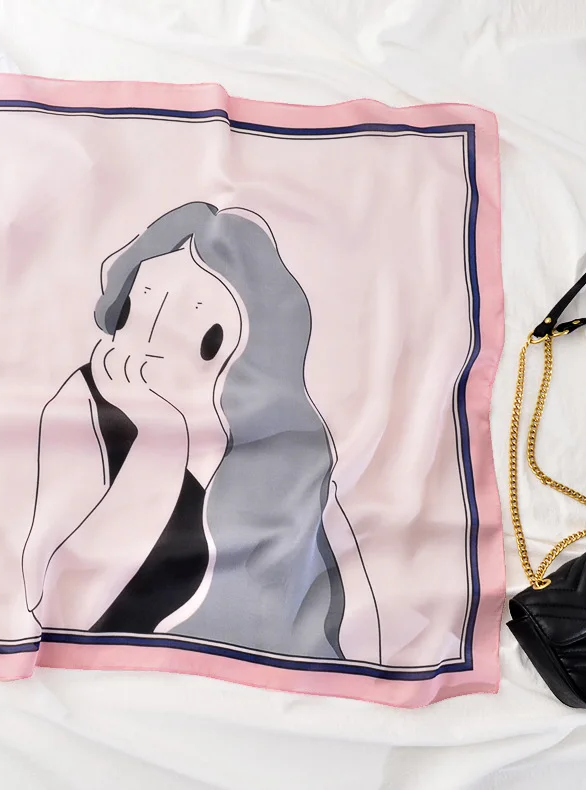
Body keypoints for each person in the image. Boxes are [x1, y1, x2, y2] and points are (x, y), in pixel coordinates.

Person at [21, 202, 380, 661]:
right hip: (103, 673)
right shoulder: (85, 403)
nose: (147, 350)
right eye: (136, 309)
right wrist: (160, 446)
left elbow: (327, 618)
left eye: (206, 337)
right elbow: (59, 604)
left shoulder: (286, 454)